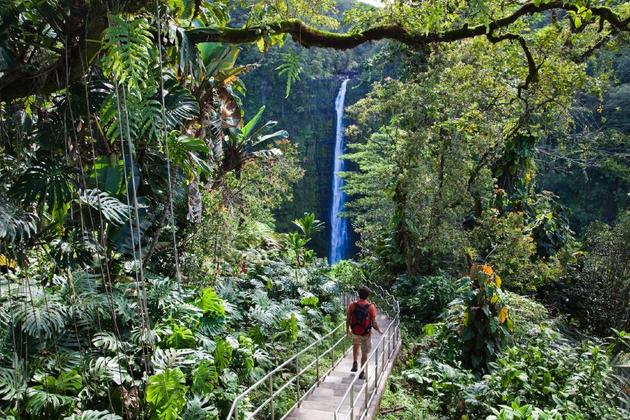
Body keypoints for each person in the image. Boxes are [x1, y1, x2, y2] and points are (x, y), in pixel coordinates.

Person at [346, 285, 383, 379]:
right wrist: (379, 330)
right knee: (364, 352)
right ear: (368, 296)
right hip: (366, 333)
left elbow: (348, 319)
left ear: (358, 294)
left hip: (355, 331)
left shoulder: (352, 305)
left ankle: (355, 362)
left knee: (355, 346)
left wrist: (347, 330)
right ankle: (362, 371)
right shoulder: (371, 307)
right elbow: (373, 322)